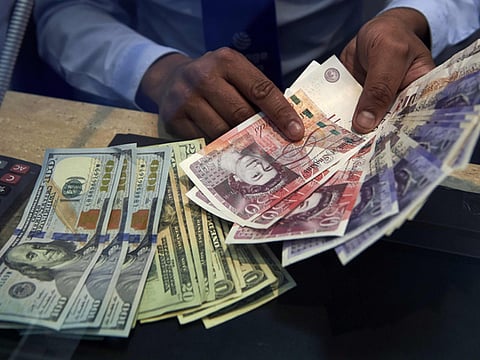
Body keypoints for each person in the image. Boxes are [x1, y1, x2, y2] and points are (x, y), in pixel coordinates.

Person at [34, 1, 480, 142]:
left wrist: (408, 17)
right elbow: (64, 10)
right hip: (174, 98)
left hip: (346, 79)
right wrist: (157, 73)